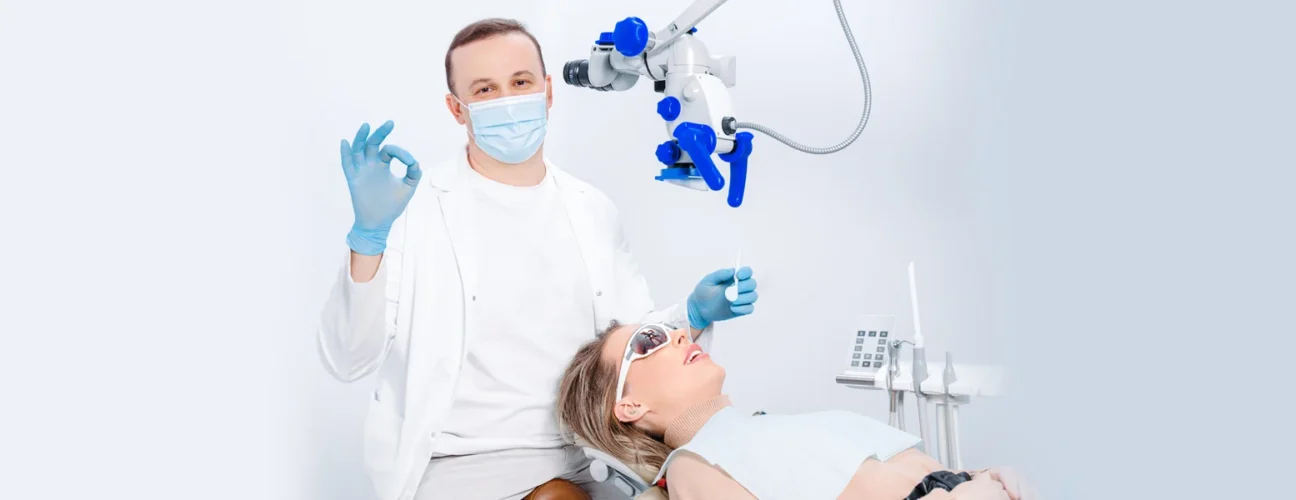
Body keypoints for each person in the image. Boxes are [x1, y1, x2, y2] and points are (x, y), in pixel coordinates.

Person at [315, 18, 760, 500]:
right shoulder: (412, 210)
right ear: (456, 109)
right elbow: (348, 359)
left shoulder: (591, 209)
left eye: (521, 82)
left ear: (548, 91)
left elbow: (627, 344)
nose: (508, 100)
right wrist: (368, 239)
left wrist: (690, 316)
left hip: (588, 456)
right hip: (461, 464)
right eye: (485, 89)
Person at [557, 322, 1036, 500]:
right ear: (629, 405)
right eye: (650, 340)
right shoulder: (691, 466)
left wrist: (981, 475)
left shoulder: (756, 431)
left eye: (670, 326)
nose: (681, 335)